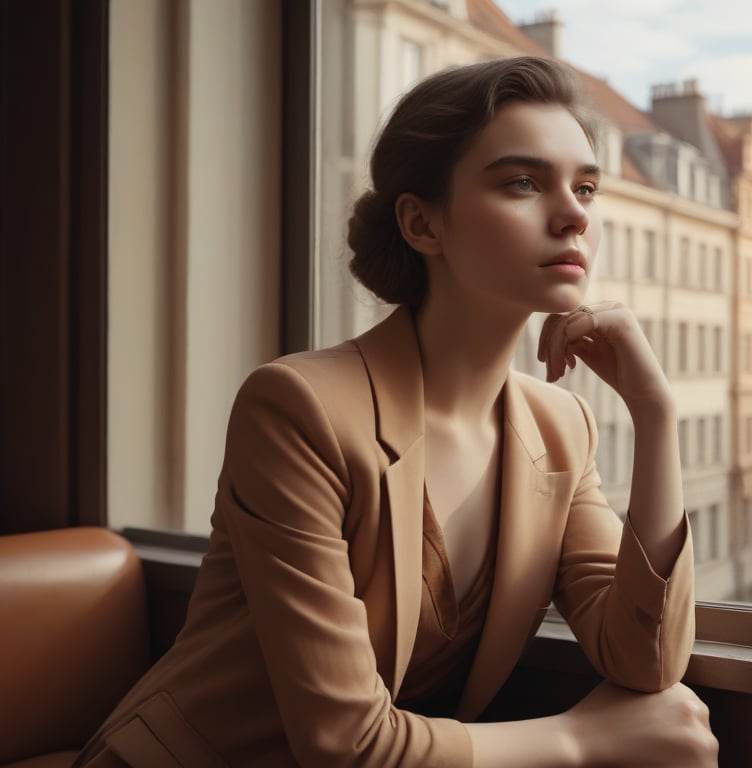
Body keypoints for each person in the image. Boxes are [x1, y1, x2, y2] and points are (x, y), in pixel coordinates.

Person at [75, 55, 718, 767]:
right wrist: (582, 739)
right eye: (524, 182)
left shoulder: (561, 427)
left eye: (587, 187)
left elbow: (644, 659)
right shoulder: (298, 409)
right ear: (422, 224)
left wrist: (655, 413)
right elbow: (345, 744)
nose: (574, 214)